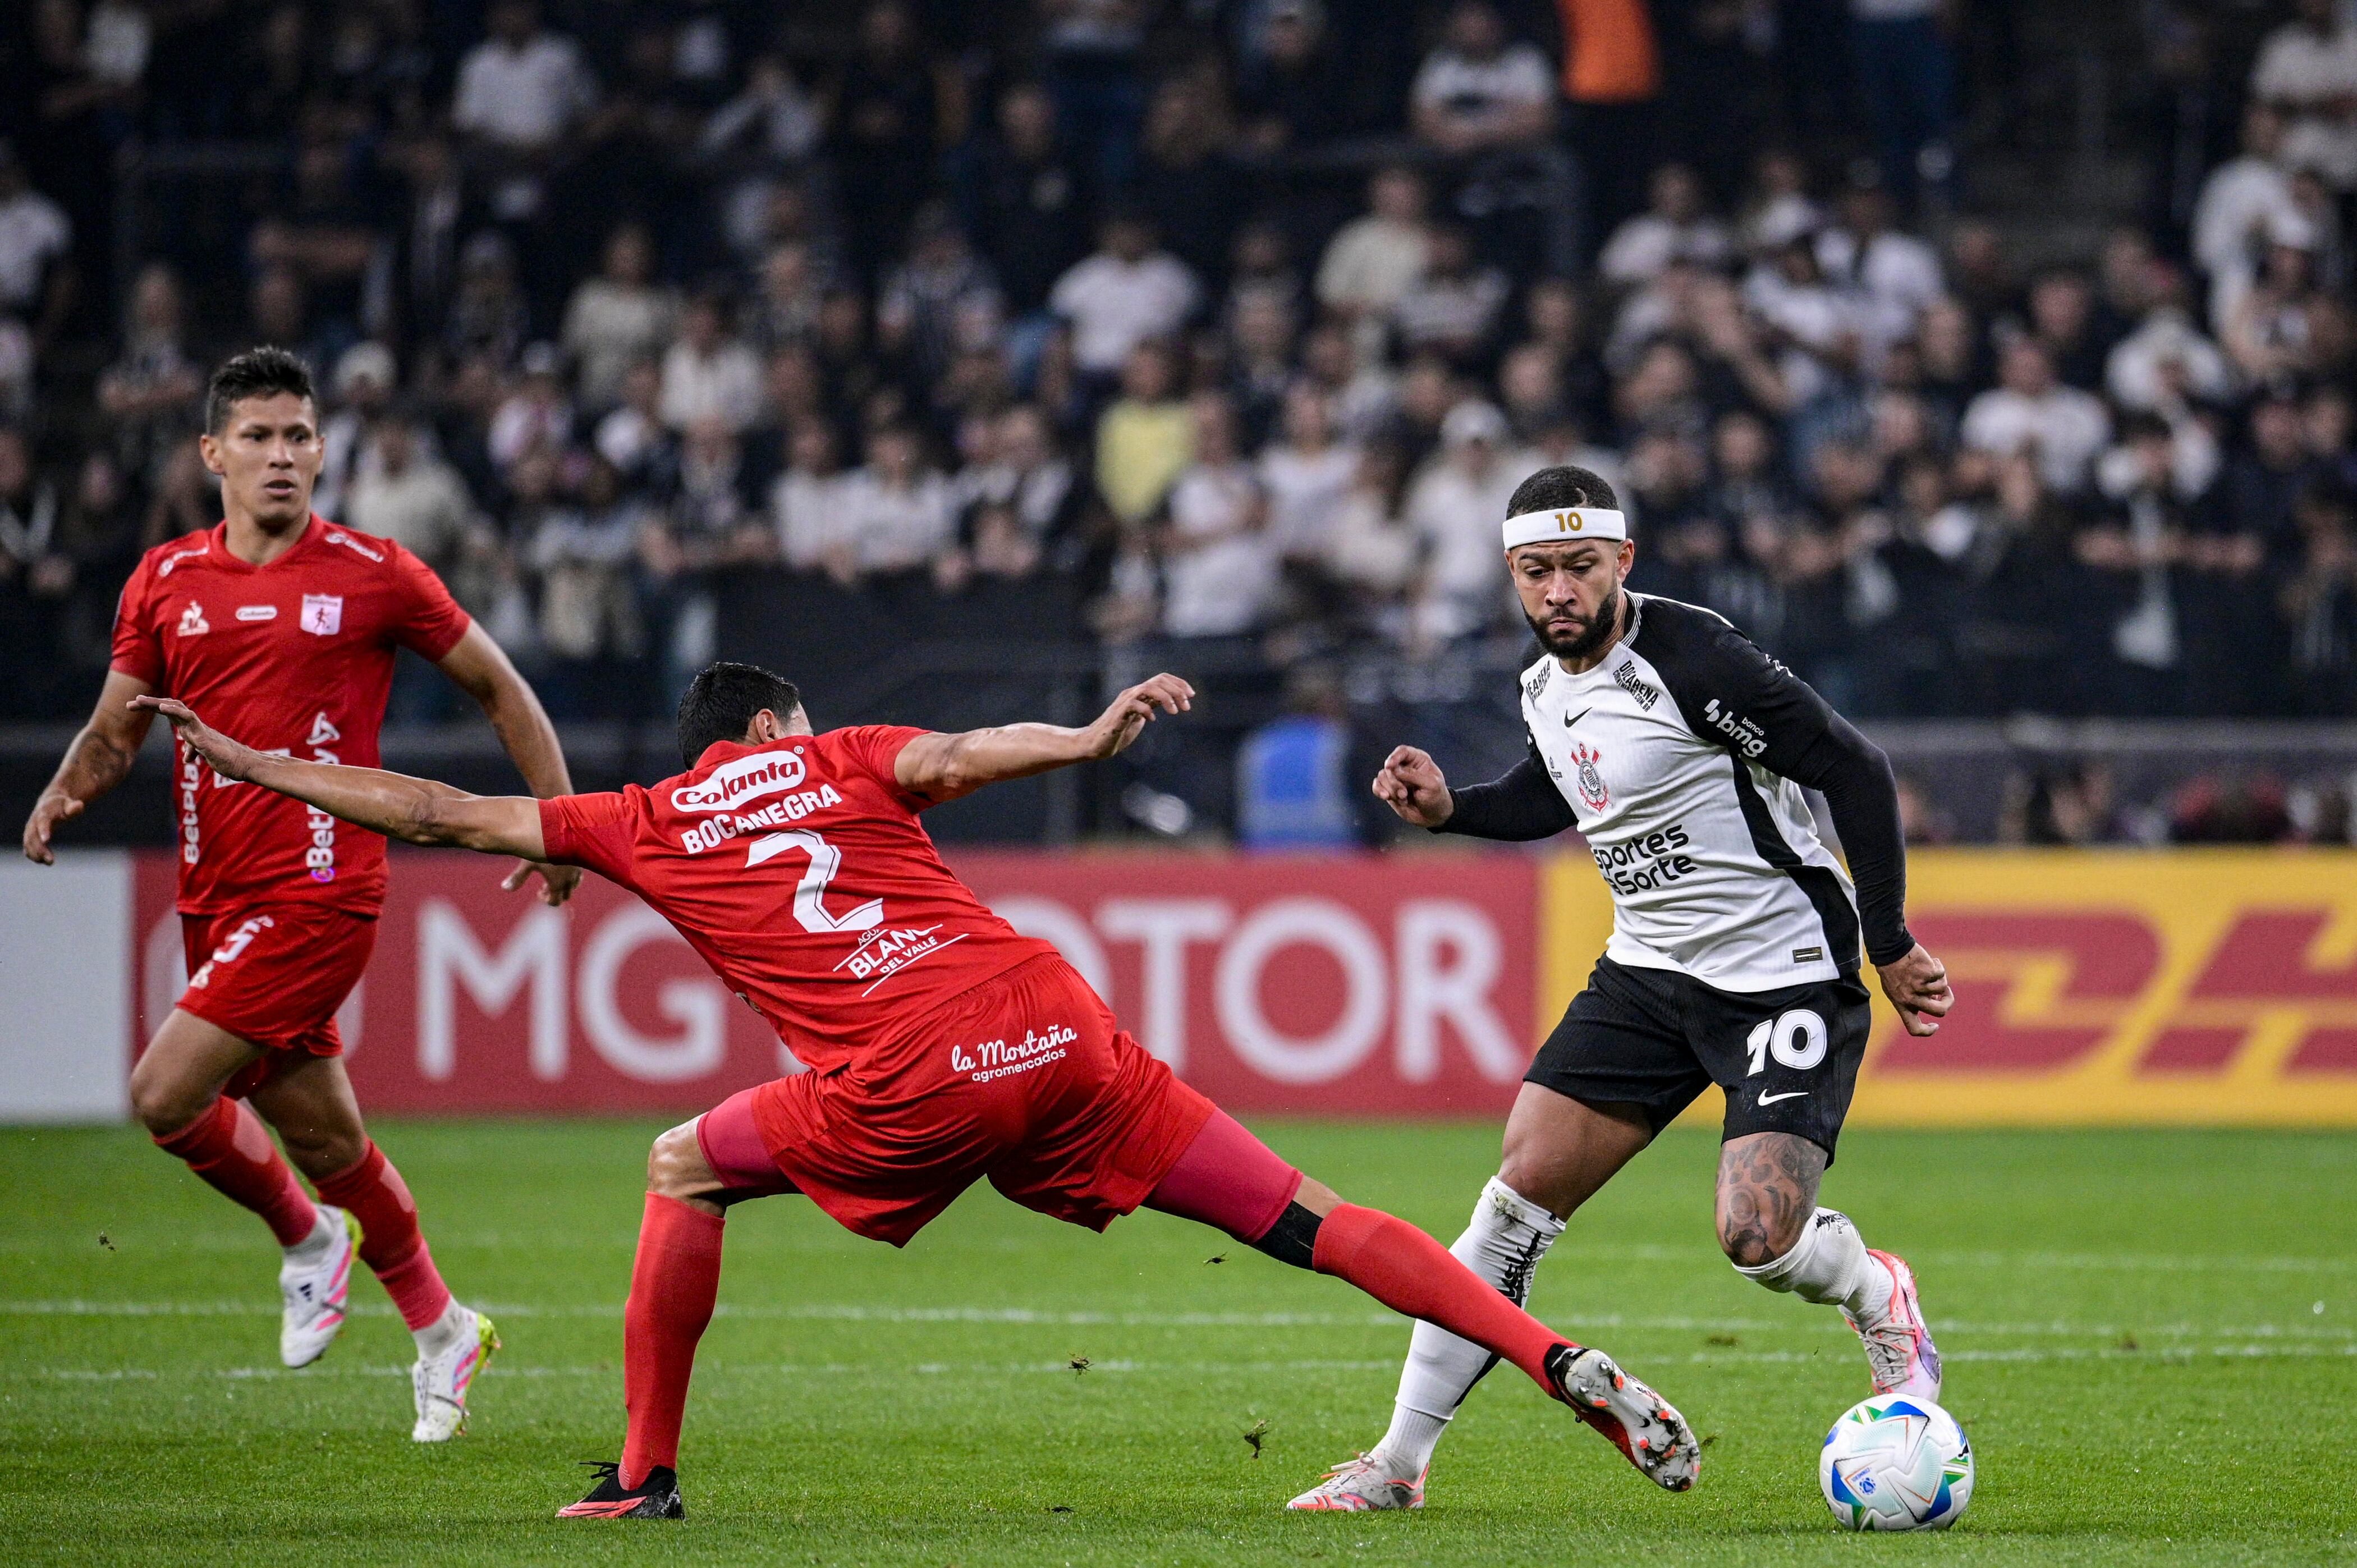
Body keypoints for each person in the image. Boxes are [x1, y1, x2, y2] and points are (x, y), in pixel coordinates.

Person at [133, 662, 1706, 1520]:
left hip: (914, 1070)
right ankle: (1551, 1353)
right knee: (1314, 1213)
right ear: (770, 732)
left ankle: (641, 1478)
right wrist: (1090, 736)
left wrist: (254, 765)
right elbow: (962, 752)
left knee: (685, 1163)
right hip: (1056, 1022)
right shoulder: (841, 757)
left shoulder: (637, 818)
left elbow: (428, 804)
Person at [1285, 464, 1953, 1511]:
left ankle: (1878, 1290)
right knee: (1509, 1209)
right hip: (1648, 975)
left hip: (1784, 980)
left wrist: (1892, 941)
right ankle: (1398, 1465)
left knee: (1758, 1240)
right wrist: (1450, 807)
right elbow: (1557, 790)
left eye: (1580, 568)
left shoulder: (1699, 662)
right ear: (1513, 573)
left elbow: (1853, 767)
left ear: (1622, 562)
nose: (1559, 591)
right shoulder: (1542, 681)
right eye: (1537, 571)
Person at [17, 347, 581, 1441]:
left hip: (323, 886)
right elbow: (115, 727)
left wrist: (555, 821)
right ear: (212, 452)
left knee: (164, 1093)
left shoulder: (376, 571)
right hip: (214, 896)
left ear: (323, 450)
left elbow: (500, 687)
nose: (283, 456)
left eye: (301, 436)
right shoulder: (164, 579)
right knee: (332, 1144)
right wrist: (61, 792)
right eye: (262, 437)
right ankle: (441, 1326)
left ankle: (310, 1242)